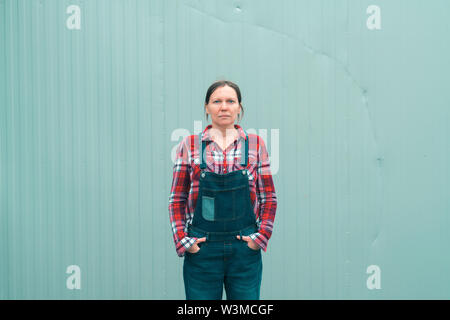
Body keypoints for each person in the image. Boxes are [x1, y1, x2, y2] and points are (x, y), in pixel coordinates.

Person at [168, 80, 277, 300]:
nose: (224, 106)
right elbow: (177, 199)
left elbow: (269, 197)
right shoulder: (189, 145)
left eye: (230, 101)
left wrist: (260, 237)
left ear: (239, 107)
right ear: (207, 107)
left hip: (244, 250)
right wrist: (184, 241)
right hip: (202, 250)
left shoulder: (256, 144)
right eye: (217, 101)